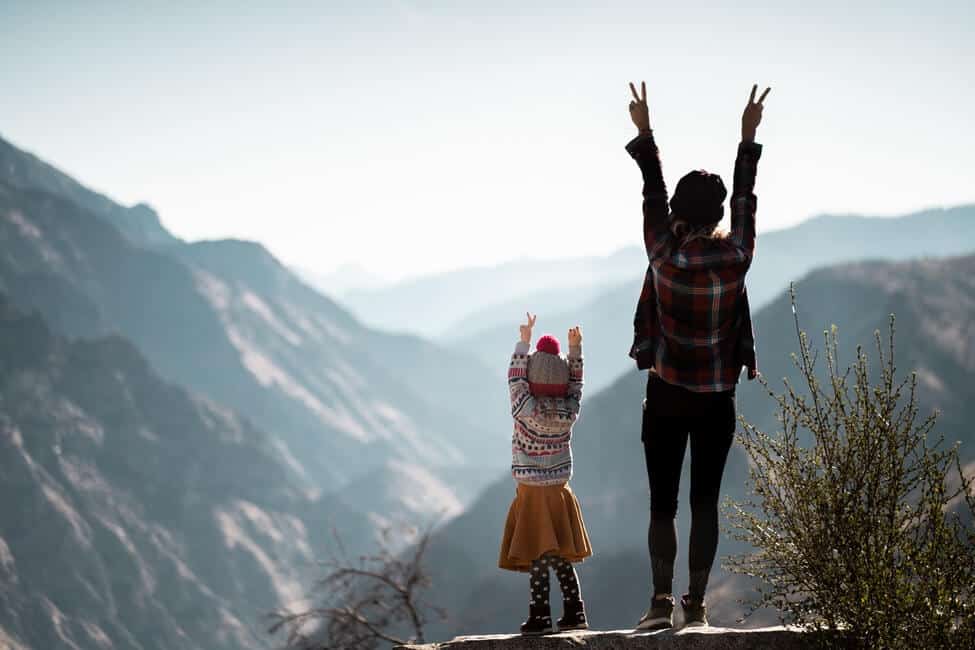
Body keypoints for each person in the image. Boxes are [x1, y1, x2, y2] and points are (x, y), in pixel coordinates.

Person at [625, 81, 770, 629]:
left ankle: (659, 607)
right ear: (717, 215)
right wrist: (747, 140)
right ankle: (698, 607)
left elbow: (651, 194)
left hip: (665, 395)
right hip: (717, 401)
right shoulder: (737, 256)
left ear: (679, 214)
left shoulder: (662, 254)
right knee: (704, 503)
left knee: (663, 503)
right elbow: (747, 201)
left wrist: (645, 134)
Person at [498, 313, 593, 636]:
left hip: (532, 492)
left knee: (539, 553)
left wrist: (524, 341)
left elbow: (514, 379)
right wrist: (575, 352)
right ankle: (574, 609)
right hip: (559, 490)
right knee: (559, 552)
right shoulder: (570, 409)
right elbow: (577, 386)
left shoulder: (524, 408)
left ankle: (540, 614)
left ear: (531, 380)